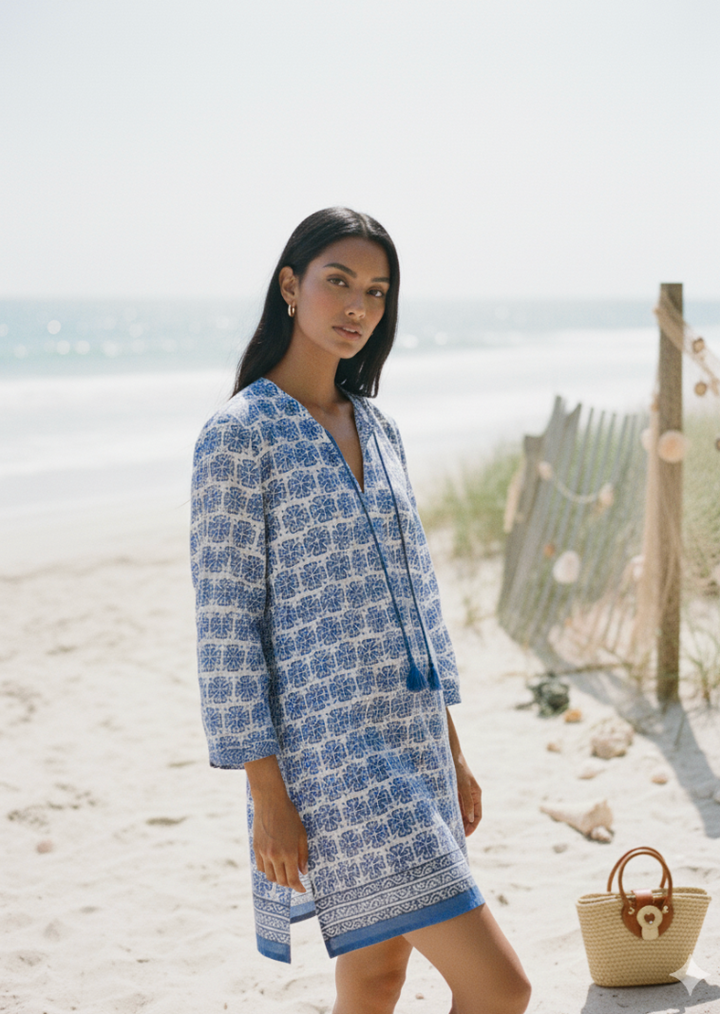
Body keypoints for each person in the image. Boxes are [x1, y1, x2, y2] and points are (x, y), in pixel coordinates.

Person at [190, 207, 531, 1014]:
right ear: (289, 286)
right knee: (502, 989)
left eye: (376, 292)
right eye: (337, 282)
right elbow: (226, 630)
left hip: (414, 739)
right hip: (334, 761)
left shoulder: (379, 429)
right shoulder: (238, 438)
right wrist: (265, 794)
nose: (358, 307)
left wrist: (452, 747)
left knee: (377, 980)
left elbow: (419, 601)